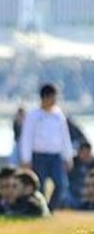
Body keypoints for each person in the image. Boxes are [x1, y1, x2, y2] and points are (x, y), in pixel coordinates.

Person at [19, 83, 74, 211]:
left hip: (55, 155)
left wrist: (68, 156)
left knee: (61, 184)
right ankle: (40, 209)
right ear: (45, 97)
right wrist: (26, 158)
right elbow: (26, 137)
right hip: (39, 155)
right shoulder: (33, 115)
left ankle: (51, 208)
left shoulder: (58, 115)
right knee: (40, 185)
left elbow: (65, 137)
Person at [66, 142, 94, 209]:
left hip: (88, 198)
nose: (86, 156)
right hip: (73, 197)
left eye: (88, 153)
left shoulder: (92, 164)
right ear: (79, 152)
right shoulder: (72, 163)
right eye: (84, 153)